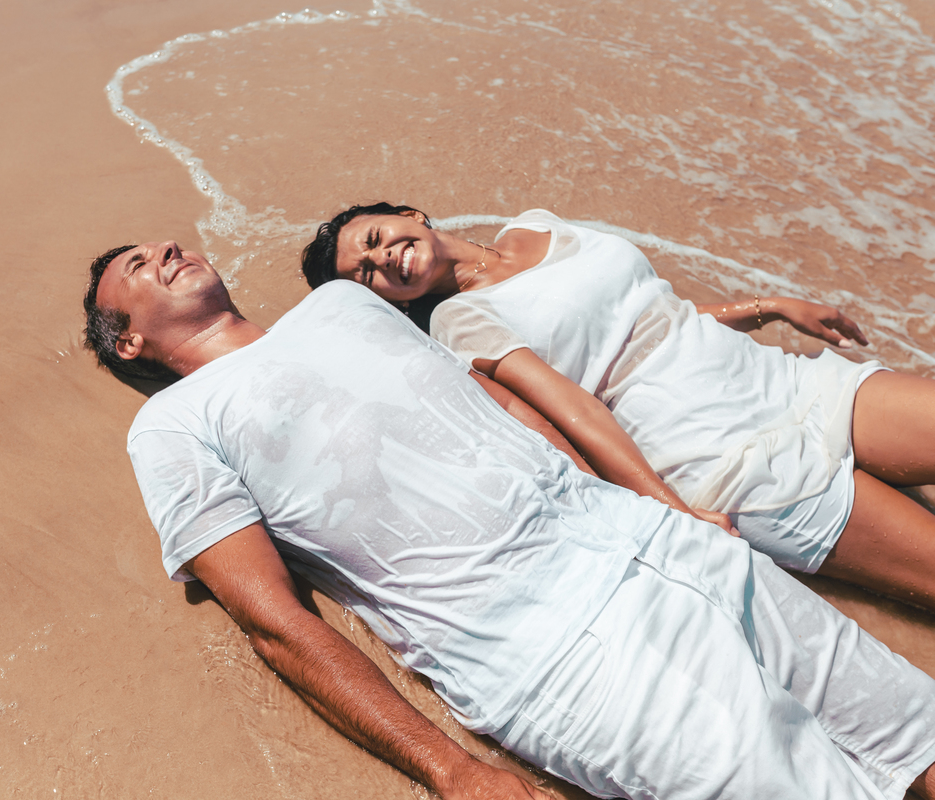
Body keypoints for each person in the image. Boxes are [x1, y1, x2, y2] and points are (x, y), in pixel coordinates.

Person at [83, 238, 935, 800]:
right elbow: (275, 622)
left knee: (917, 731)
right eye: (137, 266)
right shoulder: (171, 427)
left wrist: (647, 506)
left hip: (665, 546)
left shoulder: (344, 305)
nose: (164, 251)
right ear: (127, 342)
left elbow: (500, 404)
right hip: (558, 654)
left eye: (162, 243)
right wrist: (451, 769)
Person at [303, 202, 935, 611]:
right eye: (365, 273)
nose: (382, 258)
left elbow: (650, 314)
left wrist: (767, 307)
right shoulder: (457, 321)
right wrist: (672, 510)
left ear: (410, 214)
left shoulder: (534, 225)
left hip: (785, 381)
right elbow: (576, 410)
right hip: (725, 456)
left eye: (375, 239)